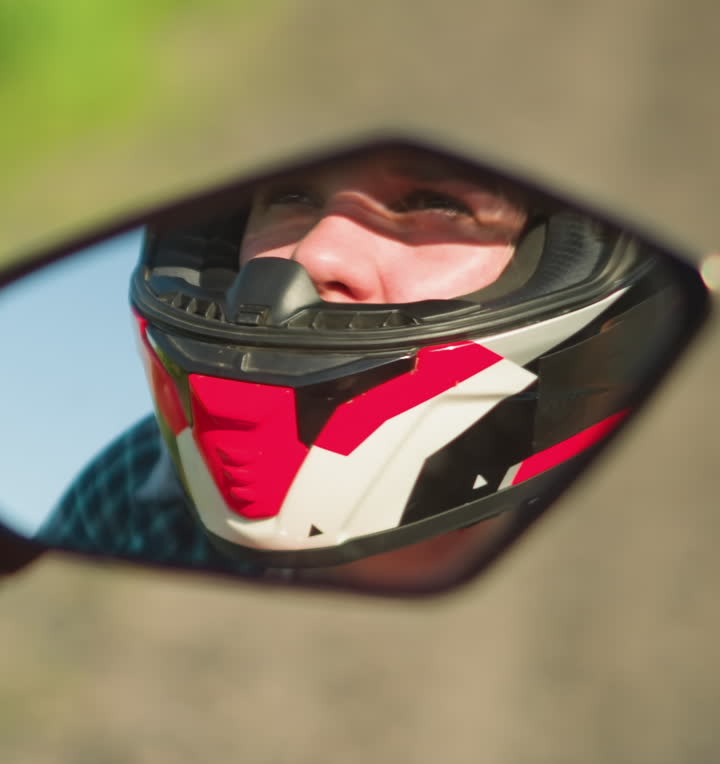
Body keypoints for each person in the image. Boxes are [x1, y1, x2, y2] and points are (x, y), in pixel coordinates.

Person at [42, 143, 660, 589]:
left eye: (434, 203)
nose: (315, 252)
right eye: (288, 197)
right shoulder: (130, 489)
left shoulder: (636, 536)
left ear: (556, 264)